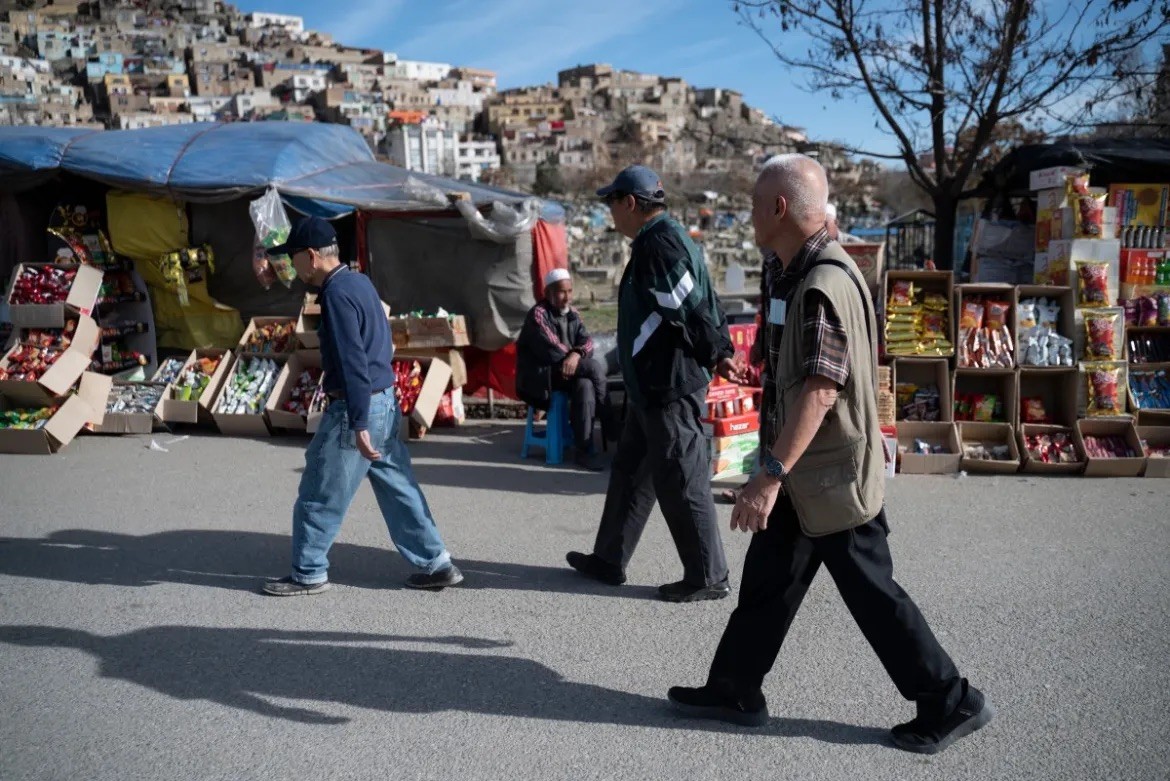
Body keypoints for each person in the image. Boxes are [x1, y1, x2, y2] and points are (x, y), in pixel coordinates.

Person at [667, 154, 993, 754]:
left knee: (873, 593)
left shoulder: (822, 285)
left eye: (755, 204)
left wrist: (769, 475)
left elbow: (821, 391)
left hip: (827, 472)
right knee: (767, 584)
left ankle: (951, 700)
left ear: (779, 208)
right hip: (805, 471)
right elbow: (796, 364)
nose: (748, 214)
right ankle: (735, 688)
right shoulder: (790, 270)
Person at [566, 165, 748, 603]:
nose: (610, 211)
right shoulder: (660, 239)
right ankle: (609, 559)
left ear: (630, 203)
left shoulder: (659, 244)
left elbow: (691, 305)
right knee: (630, 473)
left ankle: (708, 575)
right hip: (648, 386)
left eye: (612, 202)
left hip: (669, 384)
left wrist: (718, 352)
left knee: (682, 479)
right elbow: (703, 299)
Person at [262, 217, 463, 596]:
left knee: (320, 489)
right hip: (384, 400)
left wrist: (358, 423)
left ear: (311, 256)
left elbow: (353, 361)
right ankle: (436, 562)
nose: (292, 265)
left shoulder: (335, 295)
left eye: (293, 257)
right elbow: (379, 342)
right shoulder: (359, 282)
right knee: (397, 486)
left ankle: (308, 572)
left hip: (358, 405)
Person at [516, 268, 610, 471]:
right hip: (543, 377)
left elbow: (587, 343)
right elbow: (552, 349)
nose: (567, 297)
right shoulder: (538, 314)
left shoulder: (573, 314)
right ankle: (609, 423)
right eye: (561, 292)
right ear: (548, 292)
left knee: (585, 384)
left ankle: (583, 450)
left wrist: (576, 354)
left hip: (567, 371)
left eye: (569, 291)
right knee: (593, 367)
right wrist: (575, 355)